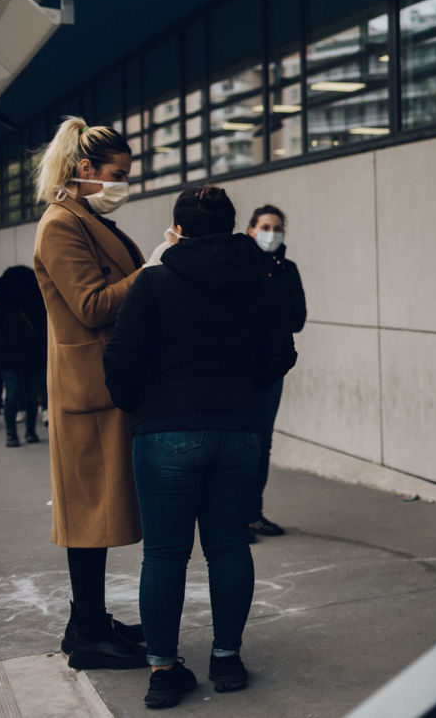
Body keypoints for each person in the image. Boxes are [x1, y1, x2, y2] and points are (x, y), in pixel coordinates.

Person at [104, 185, 297, 709]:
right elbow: (281, 353)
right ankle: (227, 659)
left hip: (165, 428)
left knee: (165, 554)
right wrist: (244, 391)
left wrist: (140, 404)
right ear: (232, 225)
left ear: (179, 229)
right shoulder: (258, 280)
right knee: (229, 547)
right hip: (238, 427)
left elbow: (121, 357)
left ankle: (163, 671)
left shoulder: (154, 281)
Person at [31, 117, 148, 670]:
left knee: (95, 510)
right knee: (88, 514)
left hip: (99, 384)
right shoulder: (61, 223)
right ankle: (89, 633)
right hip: (87, 388)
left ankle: (87, 623)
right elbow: (92, 305)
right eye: (117, 174)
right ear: (85, 169)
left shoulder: (82, 218)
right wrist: (153, 270)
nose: (123, 184)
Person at [244, 204, 305, 539]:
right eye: (265, 227)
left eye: (277, 228)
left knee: (262, 441)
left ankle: (253, 512)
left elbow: (298, 318)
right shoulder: (240, 266)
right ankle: (233, 515)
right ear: (251, 230)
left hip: (271, 368)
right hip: (240, 368)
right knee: (241, 441)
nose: (271, 233)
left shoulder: (287, 270)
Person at [0, 265, 47, 447]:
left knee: (13, 394)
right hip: (32, 357)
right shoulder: (37, 305)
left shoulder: (2, 308)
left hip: (9, 359)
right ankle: (29, 432)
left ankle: (12, 434)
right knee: (30, 395)